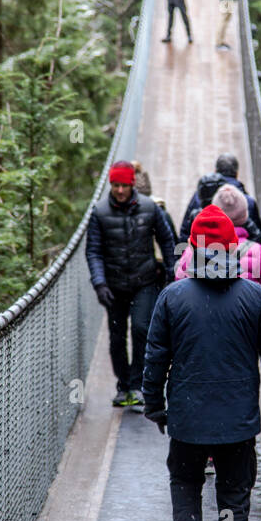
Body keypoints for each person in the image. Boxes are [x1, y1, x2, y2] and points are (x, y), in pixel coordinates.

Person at [143, 204, 261, 521]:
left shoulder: (172, 297)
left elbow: (156, 355)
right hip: (237, 422)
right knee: (231, 495)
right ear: (232, 249)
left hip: (188, 418)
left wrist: (154, 402)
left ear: (192, 248)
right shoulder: (255, 297)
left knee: (186, 479)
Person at [86, 161, 177, 407]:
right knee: (117, 336)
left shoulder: (150, 208)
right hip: (114, 286)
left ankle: (137, 386)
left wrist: (171, 274)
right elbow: (93, 251)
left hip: (144, 282)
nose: (119, 190)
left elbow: (168, 241)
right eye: (115, 185)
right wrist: (100, 283)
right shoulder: (99, 212)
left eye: (123, 185)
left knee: (140, 328)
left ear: (132, 184)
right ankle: (122, 385)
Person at [175, 185, 261, 295]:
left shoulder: (192, 250)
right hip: (241, 324)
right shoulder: (254, 251)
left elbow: (179, 282)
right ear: (244, 216)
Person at [178, 153, 261, 243]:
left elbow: (185, 231)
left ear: (215, 171)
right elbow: (258, 235)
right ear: (237, 173)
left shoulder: (199, 196)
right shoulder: (248, 201)